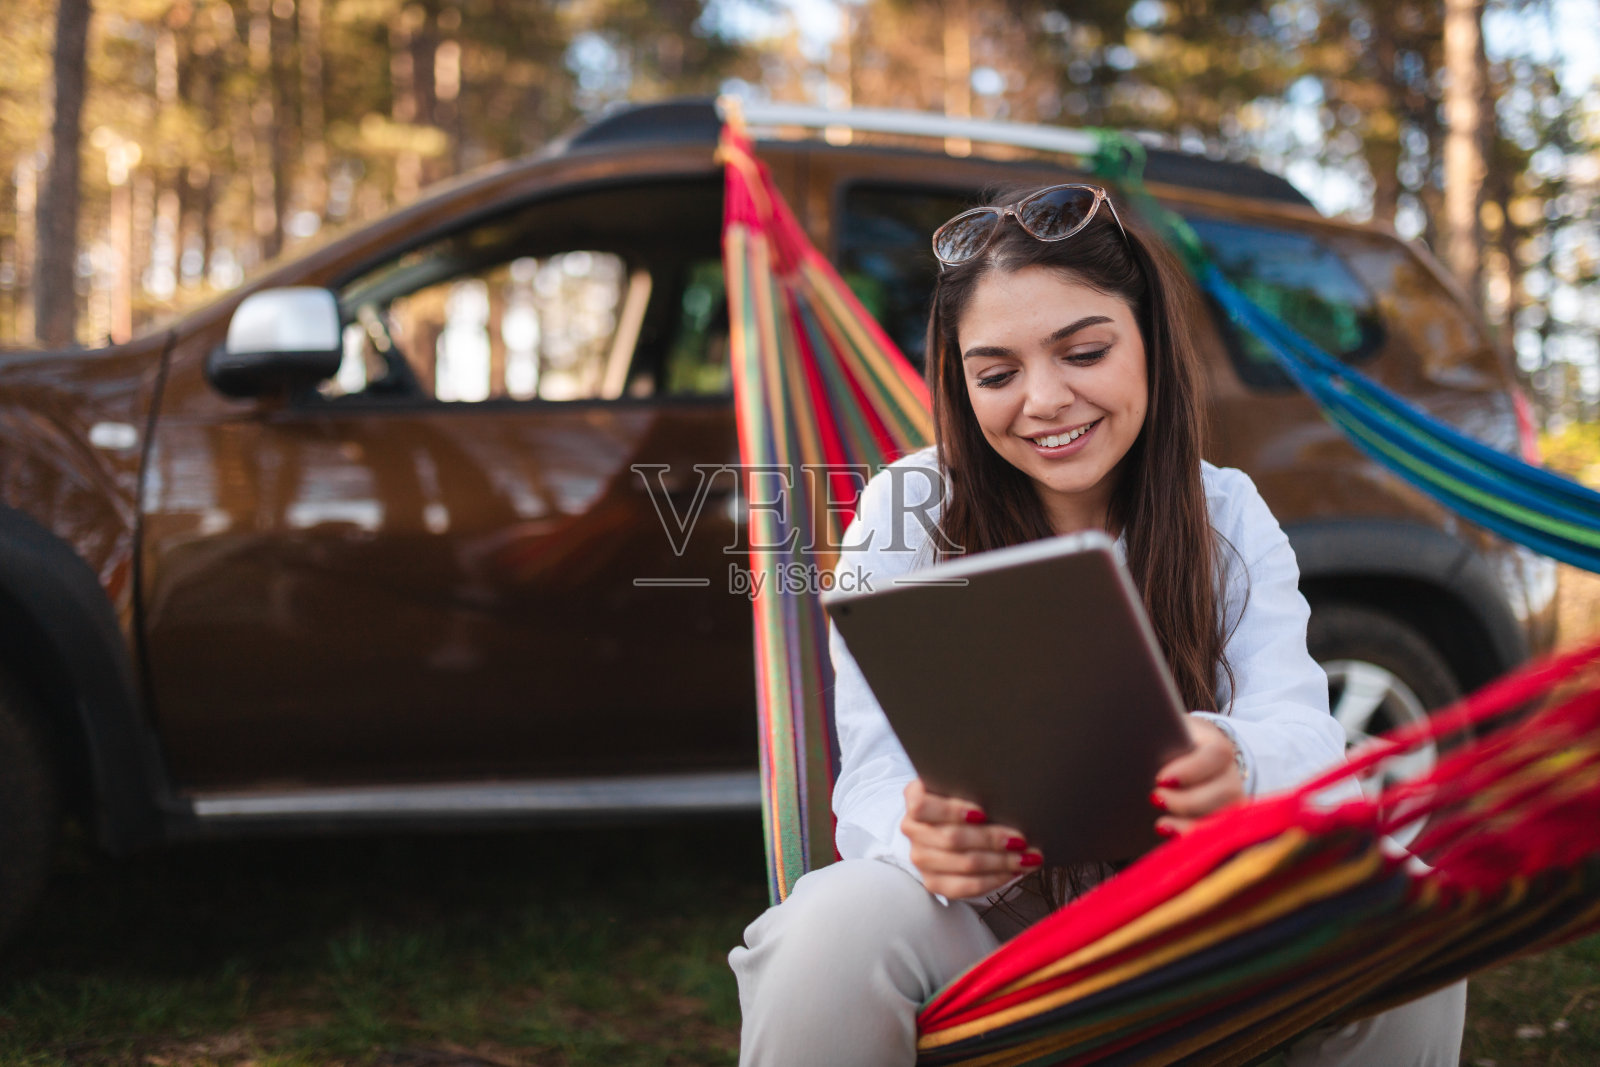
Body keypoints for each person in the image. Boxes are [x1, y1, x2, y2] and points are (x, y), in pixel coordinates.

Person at [728, 183, 1467, 1065]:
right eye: (996, 373)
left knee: (1402, 906)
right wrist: (918, 832)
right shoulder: (908, 510)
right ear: (960, 384)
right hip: (989, 918)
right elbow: (876, 768)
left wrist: (1235, 759)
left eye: (1083, 351)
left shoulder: (1224, 513)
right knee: (825, 930)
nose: (1043, 399)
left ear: (1150, 342)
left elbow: (1308, 737)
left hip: (1195, 910)